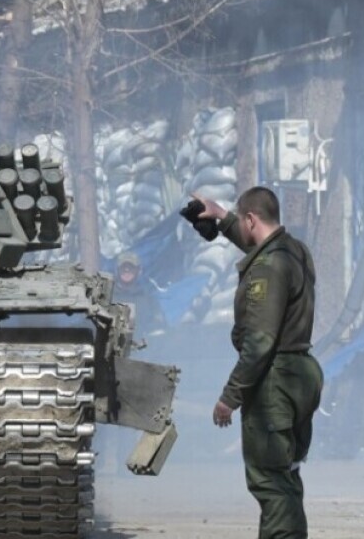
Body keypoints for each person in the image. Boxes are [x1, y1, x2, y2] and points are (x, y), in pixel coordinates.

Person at [191, 187, 324, 539]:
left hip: (274, 381)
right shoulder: (296, 251)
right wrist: (222, 217)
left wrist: (230, 396)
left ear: (251, 219)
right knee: (285, 477)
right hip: (300, 374)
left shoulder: (267, 269)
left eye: (242, 219)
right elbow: (260, 246)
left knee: (270, 482)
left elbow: (260, 342)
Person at [114, 251, 165, 337]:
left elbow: (159, 327)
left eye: (131, 268)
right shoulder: (107, 296)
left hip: (140, 343)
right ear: (117, 271)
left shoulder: (148, 299)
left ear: (138, 271)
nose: (127, 271)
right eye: (123, 268)